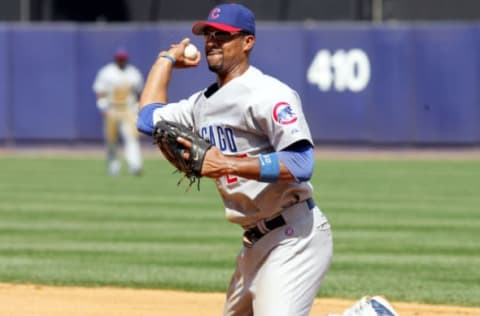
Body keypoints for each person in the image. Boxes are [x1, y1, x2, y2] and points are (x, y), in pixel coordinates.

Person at [137, 3, 333, 315]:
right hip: (253, 244)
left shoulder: (268, 94)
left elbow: (300, 164)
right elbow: (147, 120)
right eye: (208, 34)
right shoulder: (200, 104)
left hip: (294, 237)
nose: (212, 40)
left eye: (223, 35)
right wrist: (166, 59)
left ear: (247, 42)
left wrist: (228, 164)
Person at [93, 48, 144, 176]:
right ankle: (113, 167)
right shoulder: (107, 72)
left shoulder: (133, 73)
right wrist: (102, 105)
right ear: (115, 59)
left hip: (128, 109)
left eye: (123, 59)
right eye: (119, 59)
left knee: (131, 138)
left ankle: (135, 165)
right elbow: (100, 91)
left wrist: (138, 107)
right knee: (111, 140)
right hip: (112, 109)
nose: (121, 61)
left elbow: (138, 93)